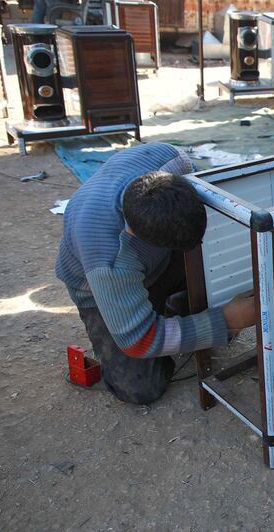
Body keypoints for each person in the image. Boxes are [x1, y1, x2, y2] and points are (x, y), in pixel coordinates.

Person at [55, 143, 256, 404]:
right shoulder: (110, 257)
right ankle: (160, 316)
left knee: (208, 270)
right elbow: (138, 341)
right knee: (141, 387)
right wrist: (225, 320)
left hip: (157, 262)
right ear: (137, 236)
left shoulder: (171, 159)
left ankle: (174, 309)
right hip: (98, 290)